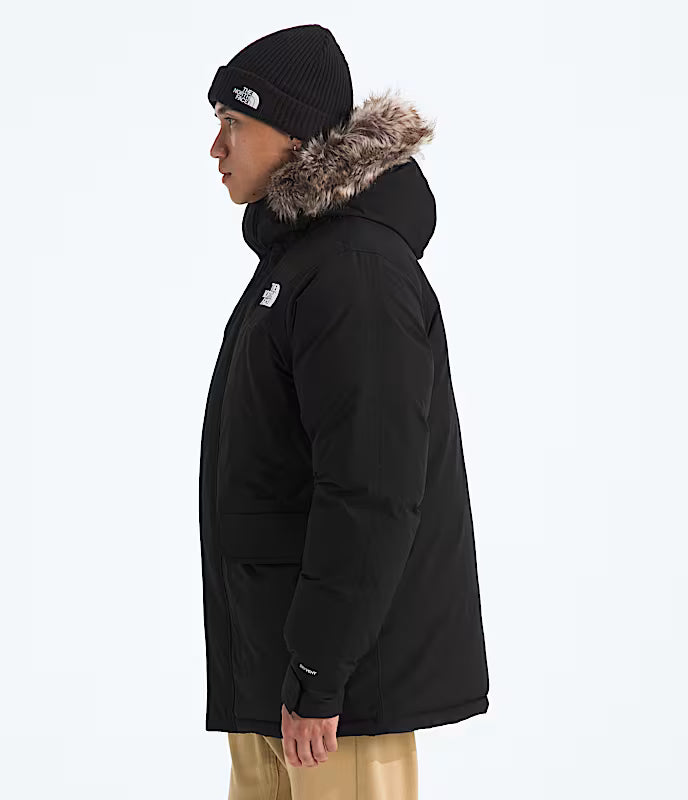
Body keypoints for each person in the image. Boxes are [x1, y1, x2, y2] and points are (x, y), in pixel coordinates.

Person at [199, 23, 490, 800]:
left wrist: (320, 671)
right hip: (277, 676)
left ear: (294, 136)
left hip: (337, 699)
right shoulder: (298, 267)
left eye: (234, 123)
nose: (216, 147)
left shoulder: (354, 272)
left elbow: (370, 489)